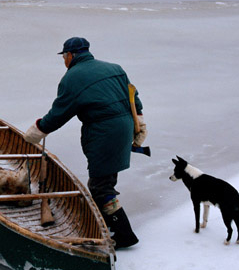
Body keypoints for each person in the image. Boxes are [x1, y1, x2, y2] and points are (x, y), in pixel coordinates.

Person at [24, 37, 147, 249]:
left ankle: (124, 235)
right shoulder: (115, 68)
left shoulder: (72, 78)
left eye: (64, 56)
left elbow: (58, 114)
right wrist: (140, 122)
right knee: (104, 180)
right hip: (124, 127)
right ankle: (108, 225)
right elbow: (133, 96)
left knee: (100, 186)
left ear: (70, 55)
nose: (64, 60)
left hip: (104, 133)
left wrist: (36, 132)